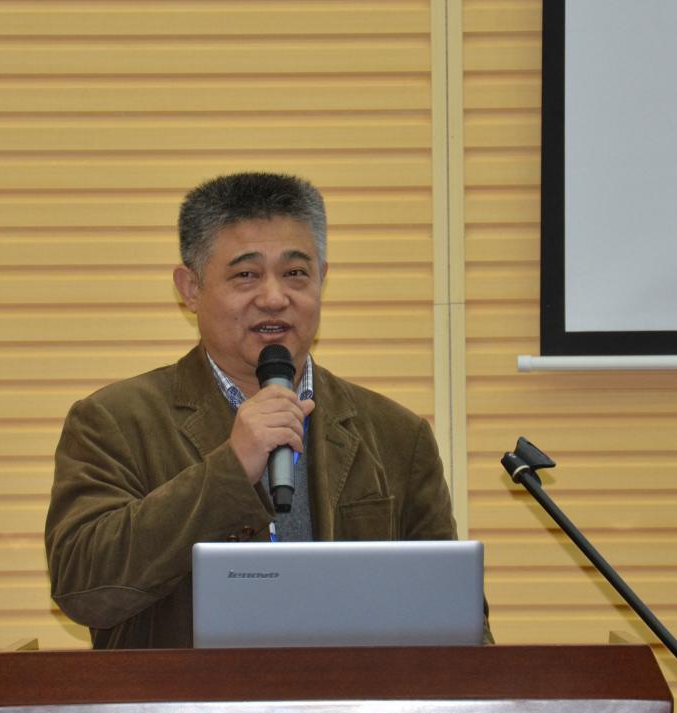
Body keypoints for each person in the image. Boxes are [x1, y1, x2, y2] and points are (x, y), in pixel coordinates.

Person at [45, 172, 493, 648]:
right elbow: (82, 587)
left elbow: (457, 618)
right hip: (183, 694)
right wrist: (230, 469)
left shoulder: (397, 436)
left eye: (296, 273)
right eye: (246, 275)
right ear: (190, 288)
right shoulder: (114, 421)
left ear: (322, 279)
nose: (275, 297)